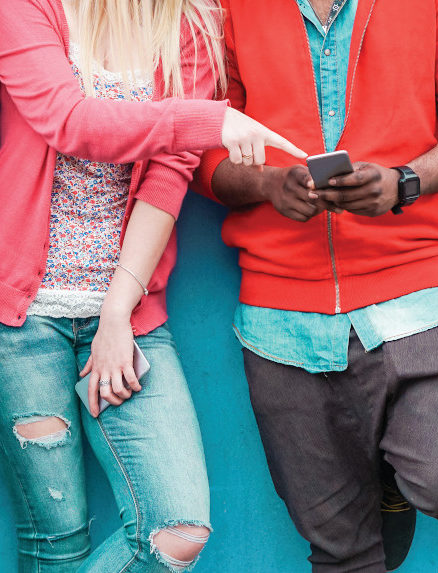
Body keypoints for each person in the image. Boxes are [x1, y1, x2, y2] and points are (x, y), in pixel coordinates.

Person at [193, 0, 438, 570]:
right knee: (341, 553)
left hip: (418, 297)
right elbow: (198, 147)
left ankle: (388, 469)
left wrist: (406, 182)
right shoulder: (224, 8)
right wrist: (265, 185)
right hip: (280, 319)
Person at [0, 0, 306, 571]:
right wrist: (209, 119)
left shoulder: (189, 25)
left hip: (130, 312)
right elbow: (70, 122)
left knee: (176, 533)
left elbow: (169, 177)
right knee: (55, 542)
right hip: (22, 317)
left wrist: (117, 313)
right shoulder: (27, 7)